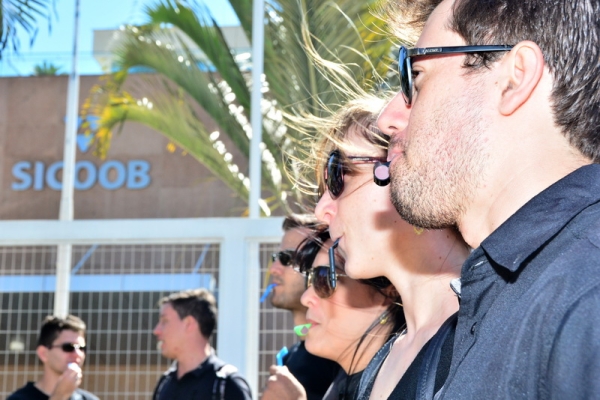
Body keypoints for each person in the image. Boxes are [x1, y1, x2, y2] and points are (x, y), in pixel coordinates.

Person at [378, 0, 600, 397]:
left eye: (416, 75)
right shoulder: (508, 295)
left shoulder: (585, 299)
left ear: (516, 78)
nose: (387, 118)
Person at [309, 96, 469, 399]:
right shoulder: (383, 361)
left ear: (405, 165)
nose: (322, 209)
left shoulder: (491, 333)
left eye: (338, 175)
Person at [263, 227, 405, 400]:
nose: (306, 298)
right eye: (310, 279)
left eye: (324, 278)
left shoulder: (412, 383)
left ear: (388, 291)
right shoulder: (344, 386)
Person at [264, 214, 339, 400]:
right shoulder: (291, 356)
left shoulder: (342, 359)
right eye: (275, 257)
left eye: (287, 258)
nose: (273, 269)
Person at [152, 288, 252, 400]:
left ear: (189, 324)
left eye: (164, 321)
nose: (156, 330)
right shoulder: (164, 385)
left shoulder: (227, 386)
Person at [8, 315, 98, 400]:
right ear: (43, 353)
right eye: (68, 347)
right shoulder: (19, 398)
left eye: (82, 348)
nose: (77, 354)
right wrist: (60, 396)